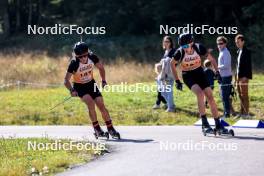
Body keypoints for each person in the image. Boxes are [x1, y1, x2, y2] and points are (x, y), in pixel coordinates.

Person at [170, 33, 228, 133]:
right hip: (188, 76)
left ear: (191, 43)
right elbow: (172, 64)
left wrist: (217, 72)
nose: (184, 48)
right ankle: (204, 124)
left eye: (186, 46)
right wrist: (177, 80)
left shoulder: (199, 48)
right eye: (182, 46)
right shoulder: (179, 52)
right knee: (200, 93)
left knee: (210, 96)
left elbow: (212, 59)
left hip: (199, 73)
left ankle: (218, 124)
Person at [64, 41, 120, 138]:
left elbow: (101, 68)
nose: (83, 58)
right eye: (80, 57)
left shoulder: (92, 57)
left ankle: (110, 128)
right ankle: (97, 129)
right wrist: (71, 90)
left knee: (101, 105)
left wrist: (103, 81)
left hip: (91, 84)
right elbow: (66, 80)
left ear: (87, 53)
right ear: (76, 56)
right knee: (91, 103)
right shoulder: (74, 63)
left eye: (84, 55)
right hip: (79, 86)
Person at [156, 36, 176, 112]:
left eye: (168, 41)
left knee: (168, 91)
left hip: (169, 75)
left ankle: (171, 108)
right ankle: (171, 105)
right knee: (163, 91)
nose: (166, 43)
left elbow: (172, 63)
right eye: (165, 41)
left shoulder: (173, 51)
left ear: (171, 43)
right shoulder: (166, 51)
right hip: (163, 74)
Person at [235, 34, 252, 118]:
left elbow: (248, 66)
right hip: (238, 76)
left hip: (244, 77)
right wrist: (235, 77)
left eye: (238, 42)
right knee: (240, 95)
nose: (237, 43)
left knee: (245, 95)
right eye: (236, 42)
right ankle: (241, 113)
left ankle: (246, 113)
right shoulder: (238, 51)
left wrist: (246, 77)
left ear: (243, 42)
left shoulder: (247, 51)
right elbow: (237, 66)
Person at [216, 36, 233, 118]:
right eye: (218, 44)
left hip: (226, 77)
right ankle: (226, 113)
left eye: (221, 43)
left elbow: (226, 65)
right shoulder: (221, 52)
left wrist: (217, 67)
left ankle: (227, 114)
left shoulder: (226, 52)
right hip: (222, 77)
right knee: (223, 96)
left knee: (225, 96)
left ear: (225, 44)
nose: (219, 45)